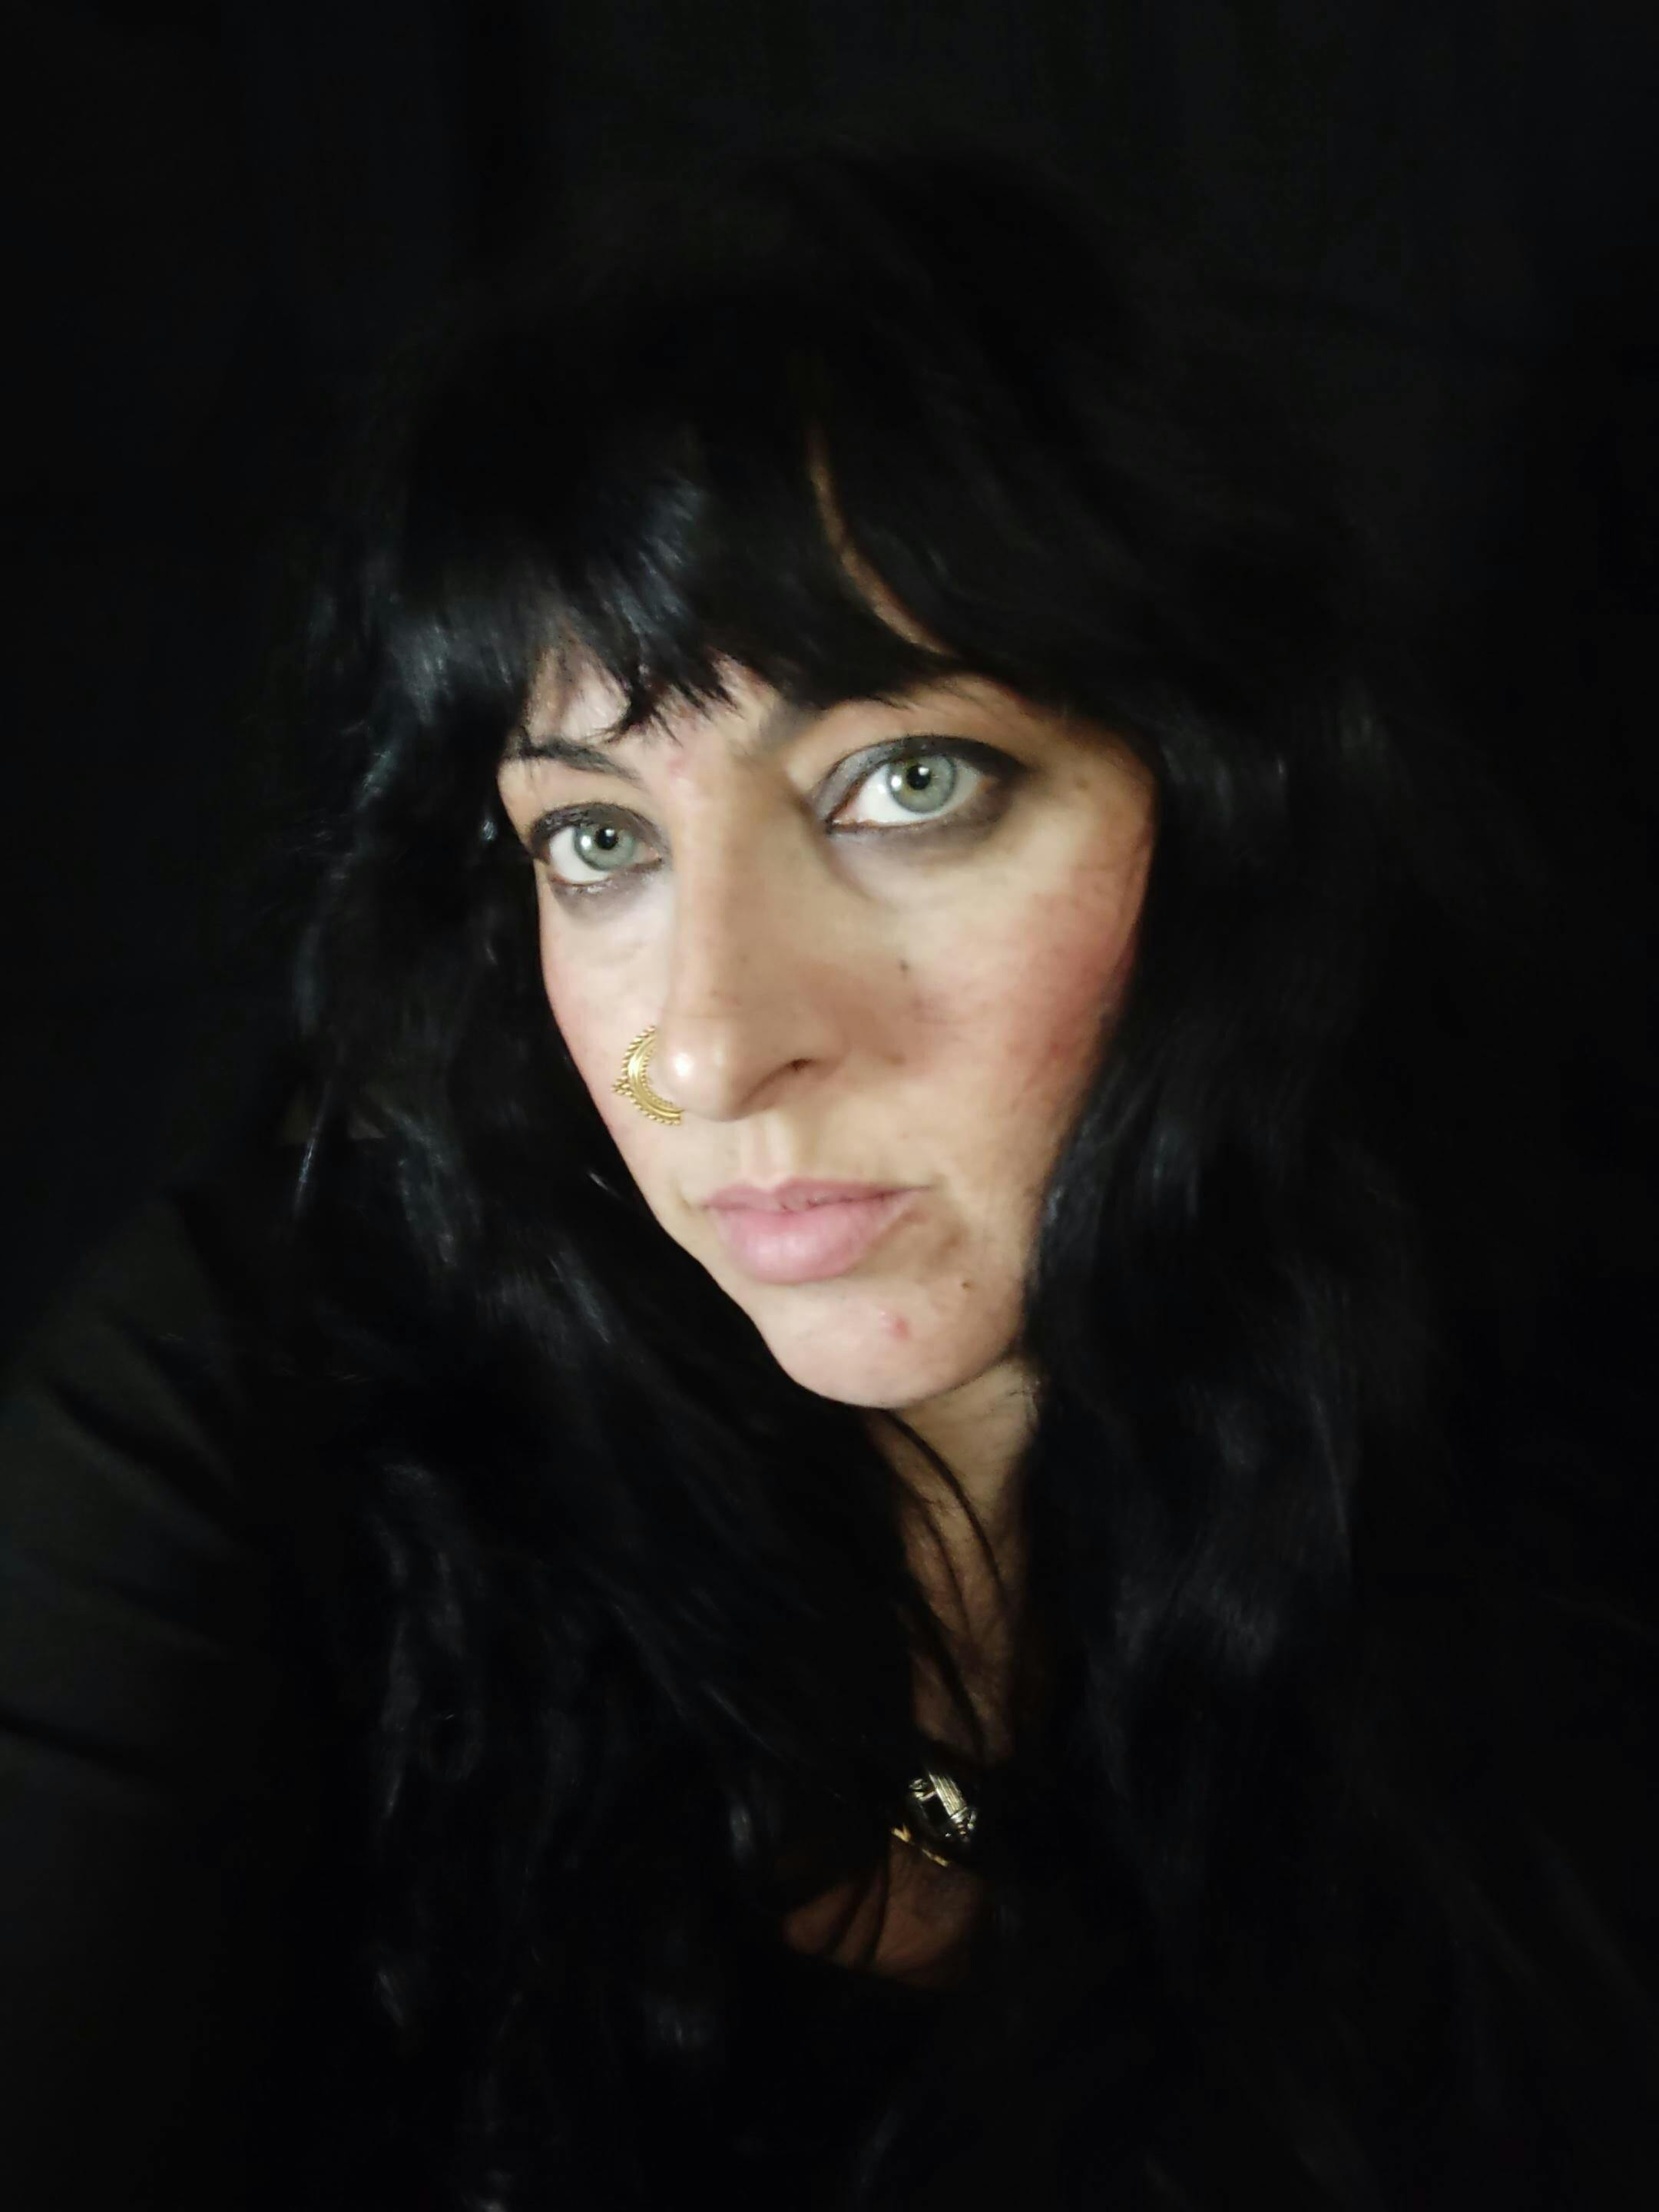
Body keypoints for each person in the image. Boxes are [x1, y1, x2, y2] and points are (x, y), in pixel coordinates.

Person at [2, 134, 1655, 2211]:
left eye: (905, 784)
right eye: (597, 839)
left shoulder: (1551, 1476)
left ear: (1228, 814)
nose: (710, 1046)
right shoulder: (258, 1410)